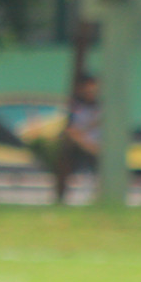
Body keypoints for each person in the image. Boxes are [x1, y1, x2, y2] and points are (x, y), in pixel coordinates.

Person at [53, 73, 101, 203]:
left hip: (97, 144)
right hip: (82, 146)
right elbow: (71, 130)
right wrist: (87, 144)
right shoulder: (76, 107)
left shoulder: (101, 107)